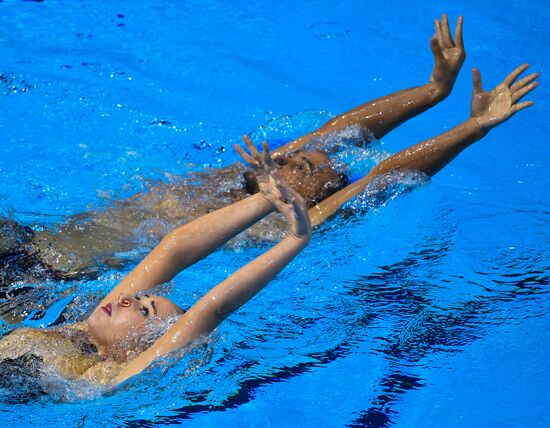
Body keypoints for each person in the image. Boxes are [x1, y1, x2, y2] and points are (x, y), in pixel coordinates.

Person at [1, 14, 471, 283]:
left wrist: (476, 125)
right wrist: (432, 92)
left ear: (305, 201)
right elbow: (339, 132)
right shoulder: (239, 178)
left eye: (301, 165)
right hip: (29, 240)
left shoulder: (273, 224)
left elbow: (381, 177)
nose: (286, 154)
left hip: (44, 282)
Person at [0, 148, 311, 386]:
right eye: (138, 300)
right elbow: (173, 249)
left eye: (143, 310)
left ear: (139, 350)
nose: (124, 298)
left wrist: (294, 239)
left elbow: (212, 309)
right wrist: (267, 198)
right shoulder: (85, 332)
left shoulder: (104, 380)